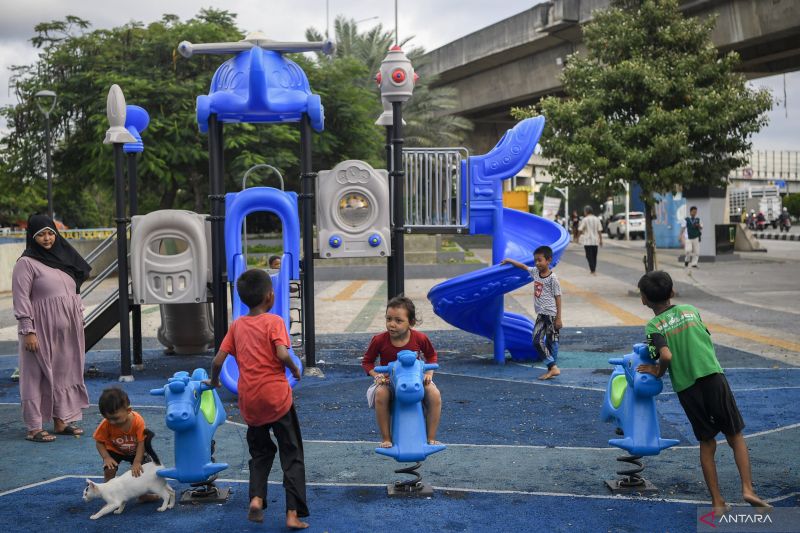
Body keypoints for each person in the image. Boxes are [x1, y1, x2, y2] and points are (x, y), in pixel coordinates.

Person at [635, 271, 771, 513]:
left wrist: (658, 371)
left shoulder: (654, 325)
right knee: (735, 435)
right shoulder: (690, 310)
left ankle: (717, 501)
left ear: (644, 299)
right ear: (672, 292)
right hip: (713, 378)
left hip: (688, 388)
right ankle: (748, 489)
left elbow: (664, 354)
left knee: (707, 442)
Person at [206, 269, 308, 528]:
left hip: (250, 400)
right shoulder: (275, 322)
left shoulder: (238, 325)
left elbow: (218, 359)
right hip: (276, 398)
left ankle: (256, 498)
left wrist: (214, 380)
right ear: (270, 296)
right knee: (291, 452)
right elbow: (283, 354)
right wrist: (295, 369)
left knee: (260, 453)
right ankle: (292, 514)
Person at [12, 214, 91, 443]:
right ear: (32, 237)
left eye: (50, 233)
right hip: (39, 330)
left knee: (64, 374)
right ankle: (34, 428)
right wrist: (28, 330)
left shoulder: (63, 260)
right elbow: (21, 298)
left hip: (68, 330)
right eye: (41, 235)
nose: (46, 239)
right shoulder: (25, 263)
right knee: (34, 376)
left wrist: (78, 317)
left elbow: (74, 293)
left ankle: (61, 420)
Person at [362, 296, 442, 448]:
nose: (392, 324)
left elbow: (431, 355)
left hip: (416, 379)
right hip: (389, 380)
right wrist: (377, 376)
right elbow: (367, 362)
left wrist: (428, 373)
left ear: (410, 322)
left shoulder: (419, 338)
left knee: (434, 394)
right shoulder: (379, 340)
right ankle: (386, 438)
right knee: (381, 394)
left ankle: (430, 438)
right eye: (389, 319)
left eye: (398, 321)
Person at [502, 246, 562, 380]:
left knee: (552, 342)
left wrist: (559, 318)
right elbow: (523, 266)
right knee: (536, 340)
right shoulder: (535, 272)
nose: (537, 263)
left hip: (551, 315)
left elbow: (558, 297)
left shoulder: (553, 279)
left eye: (540, 260)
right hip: (541, 314)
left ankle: (552, 368)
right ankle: (553, 367)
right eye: (535, 260)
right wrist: (510, 261)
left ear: (548, 260)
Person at [93, 387, 155, 481]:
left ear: (128, 410)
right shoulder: (105, 424)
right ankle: (108, 487)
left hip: (136, 450)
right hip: (115, 450)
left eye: (115, 418)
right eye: (108, 418)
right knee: (109, 468)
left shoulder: (138, 421)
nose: (112, 422)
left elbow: (141, 442)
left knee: (145, 470)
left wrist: (137, 461)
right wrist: (106, 457)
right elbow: (99, 442)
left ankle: (144, 495)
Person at [576, 205, 603, 274]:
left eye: (584, 211)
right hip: (595, 241)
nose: (584, 212)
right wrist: (601, 240)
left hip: (587, 241)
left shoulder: (585, 219)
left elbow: (580, 229)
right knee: (594, 256)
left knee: (588, 256)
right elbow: (599, 230)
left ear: (586, 211)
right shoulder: (597, 219)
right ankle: (593, 269)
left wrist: (577, 238)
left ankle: (592, 270)